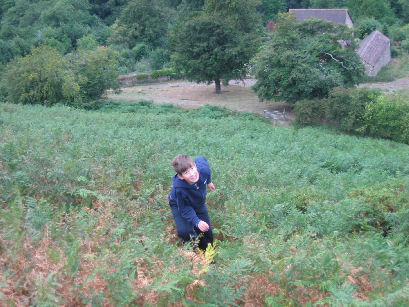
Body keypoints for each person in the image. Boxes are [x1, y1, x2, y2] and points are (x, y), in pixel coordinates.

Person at [168, 154, 215, 251]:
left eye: (192, 168)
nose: (192, 173)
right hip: (179, 204)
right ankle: (191, 252)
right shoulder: (179, 189)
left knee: (206, 230)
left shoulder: (203, 171)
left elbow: (201, 158)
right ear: (181, 176)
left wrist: (209, 181)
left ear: (195, 165)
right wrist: (196, 221)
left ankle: (207, 254)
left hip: (198, 203)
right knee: (185, 231)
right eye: (186, 172)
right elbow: (185, 209)